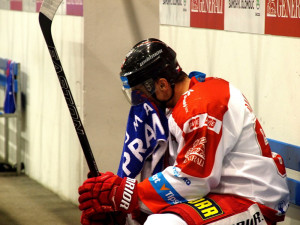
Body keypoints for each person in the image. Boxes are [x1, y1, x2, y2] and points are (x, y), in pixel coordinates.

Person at [78, 38, 289, 225]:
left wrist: (128, 195)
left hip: (251, 199)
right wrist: (125, 208)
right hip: (219, 193)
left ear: (161, 85)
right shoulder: (184, 103)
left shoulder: (201, 106)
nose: (140, 101)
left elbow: (195, 178)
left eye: (141, 93)